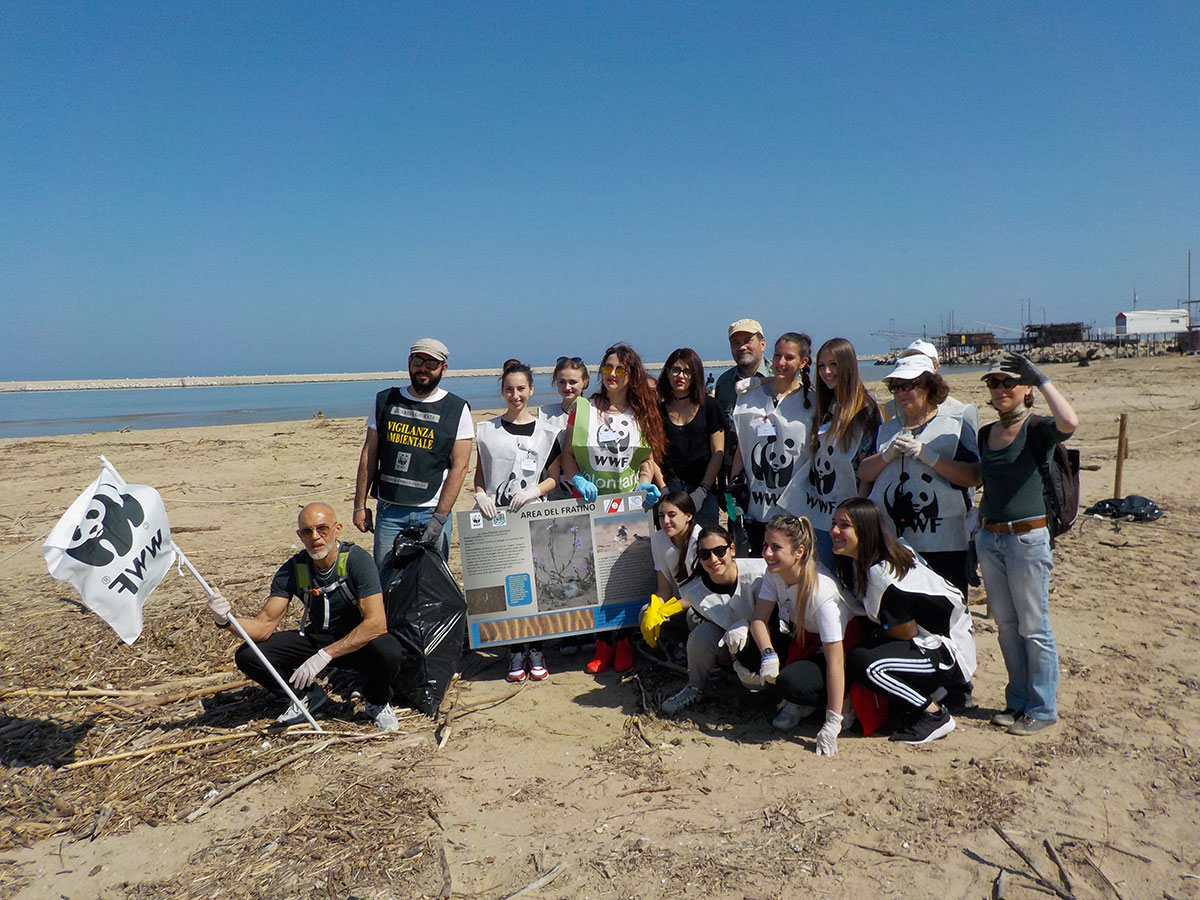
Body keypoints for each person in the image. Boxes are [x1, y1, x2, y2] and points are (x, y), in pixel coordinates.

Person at [205, 503, 404, 731]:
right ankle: (305, 696)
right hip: (317, 638)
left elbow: (377, 623)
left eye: (322, 529)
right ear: (300, 536)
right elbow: (263, 626)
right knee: (249, 654)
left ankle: (377, 702)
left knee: (388, 649)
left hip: (357, 642)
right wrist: (226, 620)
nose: (316, 537)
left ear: (337, 529)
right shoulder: (295, 568)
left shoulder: (356, 560)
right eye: (307, 531)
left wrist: (326, 655)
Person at [976, 352, 1078, 736]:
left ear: (1025, 390)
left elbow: (1070, 422)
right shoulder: (986, 433)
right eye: (993, 383)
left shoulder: (1038, 427)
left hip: (1027, 538)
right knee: (1006, 626)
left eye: (1008, 382)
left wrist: (1042, 378)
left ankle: (1042, 707)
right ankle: (1016, 700)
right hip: (991, 538)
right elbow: (986, 483)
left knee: (1034, 626)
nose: (1000, 389)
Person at [831, 498, 977, 745]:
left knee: (866, 663)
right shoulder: (884, 554)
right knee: (866, 650)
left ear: (865, 530)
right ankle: (932, 693)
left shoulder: (881, 572)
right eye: (834, 523)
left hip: (946, 651)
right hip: (936, 642)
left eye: (844, 526)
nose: (834, 530)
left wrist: (877, 639)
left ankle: (934, 715)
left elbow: (905, 630)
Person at [560, 343, 666, 674]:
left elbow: (646, 460)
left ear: (631, 374)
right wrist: (578, 481)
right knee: (593, 574)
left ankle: (624, 642)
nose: (613, 375)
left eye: (620, 369)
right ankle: (602, 643)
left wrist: (645, 486)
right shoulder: (585, 409)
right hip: (591, 504)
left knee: (625, 575)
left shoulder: (642, 412)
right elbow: (567, 456)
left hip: (628, 507)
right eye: (607, 368)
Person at [732, 515, 860, 755]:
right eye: (765, 546)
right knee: (748, 651)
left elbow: (836, 661)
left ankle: (839, 704)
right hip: (806, 639)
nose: (767, 553)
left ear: (799, 551)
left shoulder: (822, 594)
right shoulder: (775, 573)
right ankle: (802, 699)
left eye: (776, 547)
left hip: (842, 649)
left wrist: (832, 723)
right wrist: (768, 654)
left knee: (791, 682)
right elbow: (758, 619)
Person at [858, 353, 980, 596]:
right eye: (895, 387)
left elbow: (973, 477)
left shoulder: (955, 425)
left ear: (928, 386)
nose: (901, 393)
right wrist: (887, 454)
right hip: (894, 543)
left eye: (908, 386)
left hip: (945, 544)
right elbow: (864, 472)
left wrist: (931, 457)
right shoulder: (886, 430)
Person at [472, 360, 563, 683]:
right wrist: (481, 496)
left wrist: (535, 491)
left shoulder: (546, 432)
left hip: (535, 516)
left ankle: (536, 648)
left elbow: (555, 477)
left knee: (536, 582)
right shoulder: (486, 431)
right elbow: (479, 478)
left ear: (531, 390)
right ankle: (513, 651)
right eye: (509, 389)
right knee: (507, 584)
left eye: (521, 389)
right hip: (498, 521)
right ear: (502, 391)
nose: (515, 395)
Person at [353, 338, 473, 564]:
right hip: (390, 510)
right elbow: (369, 454)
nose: (424, 368)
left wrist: (440, 517)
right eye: (418, 360)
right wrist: (360, 505)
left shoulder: (457, 409)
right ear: (409, 361)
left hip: (432, 510)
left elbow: (460, 466)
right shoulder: (384, 400)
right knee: (387, 580)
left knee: (431, 584)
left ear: (443, 369)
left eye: (432, 363)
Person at [780, 337, 881, 570]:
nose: (827, 372)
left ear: (848, 366)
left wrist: (857, 516)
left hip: (849, 514)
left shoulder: (865, 412)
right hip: (819, 509)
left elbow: (867, 469)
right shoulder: (826, 406)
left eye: (834, 365)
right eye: (822, 365)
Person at [659, 524, 767, 715]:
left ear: (732, 549)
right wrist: (735, 662)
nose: (713, 559)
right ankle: (694, 687)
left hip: (770, 641)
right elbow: (722, 623)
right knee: (701, 634)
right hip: (733, 646)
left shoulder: (761, 573)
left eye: (719, 551)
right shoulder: (695, 592)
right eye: (705, 555)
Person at [728, 332, 814, 556]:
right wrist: (732, 495)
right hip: (754, 504)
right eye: (777, 356)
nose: (781, 363)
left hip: (793, 507)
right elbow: (742, 447)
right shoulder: (750, 395)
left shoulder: (811, 402)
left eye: (789, 358)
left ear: (803, 362)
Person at [714, 319, 772, 544]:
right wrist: (721, 484)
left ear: (763, 343)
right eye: (735, 343)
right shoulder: (724, 384)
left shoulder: (781, 377)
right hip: (734, 480)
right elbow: (720, 435)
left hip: (772, 478)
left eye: (747, 341)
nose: (742, 347)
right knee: (738, 536)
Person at [658, 347, 725, 526]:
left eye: (687, 371)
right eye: (676, 370)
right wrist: (664, 491)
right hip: (669, 489)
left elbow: (718, 452)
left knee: (705, 545)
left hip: (702, 490)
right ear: (667, 372)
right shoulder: (658, 410)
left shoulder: (710, 406)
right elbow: (652, 455)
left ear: (696, 375)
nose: (681, 376)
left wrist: (702, 491)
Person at [885, 340, 979, 432]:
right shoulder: (891, 409)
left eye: (921, 360)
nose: (912, 363)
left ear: (935, 367)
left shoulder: (956, 410)